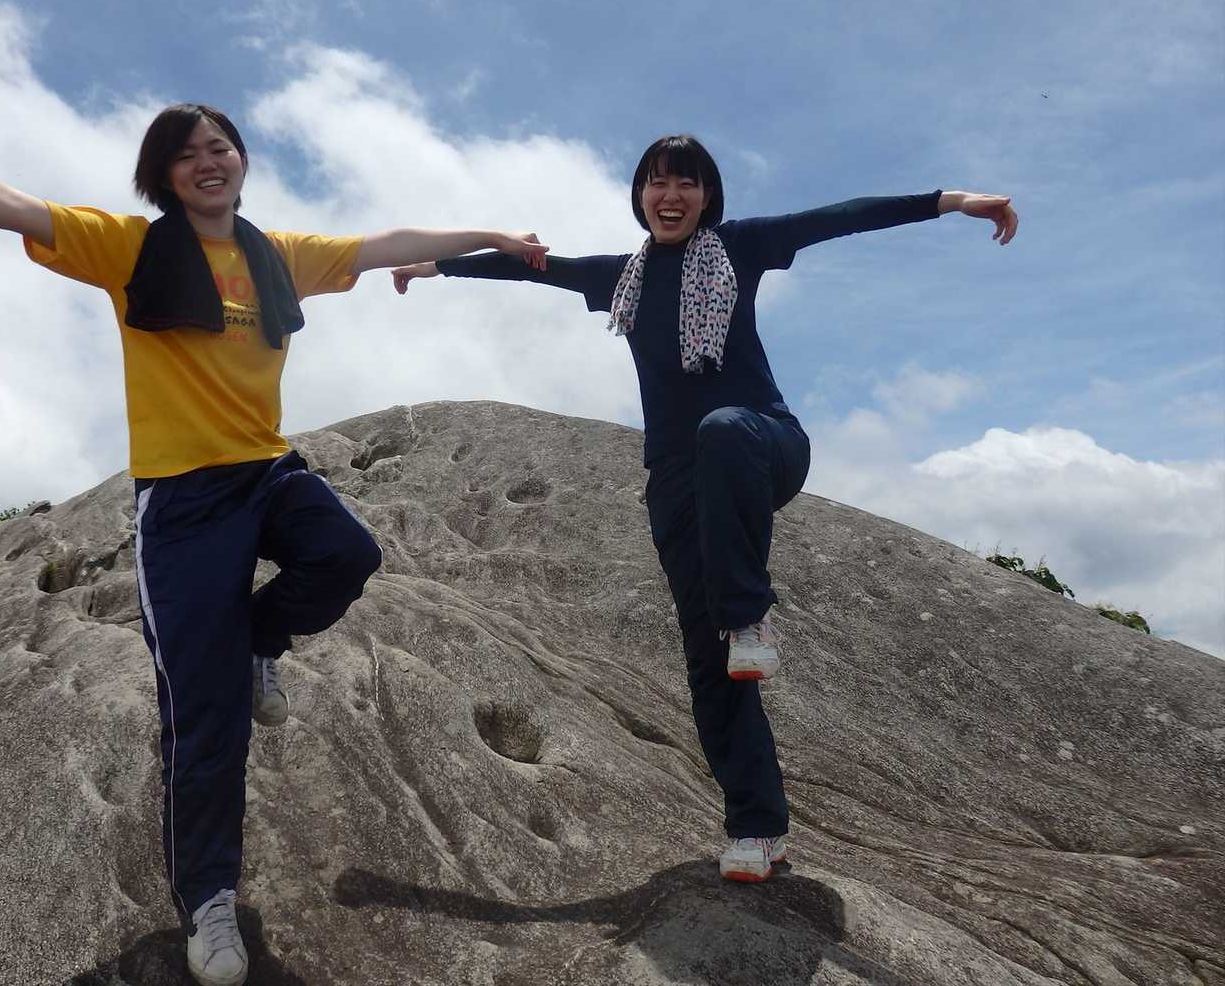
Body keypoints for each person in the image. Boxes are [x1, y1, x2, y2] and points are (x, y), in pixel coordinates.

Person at [0, 103, 548, 986]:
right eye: (186, 155)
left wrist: (492, 234)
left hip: (265, 470)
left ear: (241, 159)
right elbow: (7, 204)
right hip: (183, 503)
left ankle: (261, 639)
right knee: (205, 714)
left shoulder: (278, 256)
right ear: (164, 175)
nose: (207, 162)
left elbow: (389, 242)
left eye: (219, 147)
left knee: (346, 552)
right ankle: (209, 899)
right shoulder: (130, 249)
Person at [392, 134, 1016, 885]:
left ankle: (749, 615)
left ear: (708, 196)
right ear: (640, 196)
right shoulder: (620, 278)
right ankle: (757, 828)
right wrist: (434, 266)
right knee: (711, 663)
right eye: (657, 182)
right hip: (679, 485)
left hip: (762, 445)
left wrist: (953, 202)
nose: (671, 196)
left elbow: (841, 216)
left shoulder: (738, 249)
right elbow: (531, 269)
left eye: (686, 183)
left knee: (720, 434)